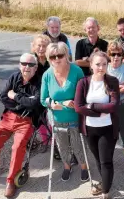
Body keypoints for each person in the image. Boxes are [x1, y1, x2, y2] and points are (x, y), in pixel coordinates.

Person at [0, 53, 41, 197]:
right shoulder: (14, 77)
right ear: (20, 65)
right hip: (8, 117)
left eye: (31, 65)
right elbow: (4, 97)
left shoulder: (39, 82)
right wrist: (23, 102)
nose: (27, 67)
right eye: (24, 64)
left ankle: (11, 181)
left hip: (26, 121)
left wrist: (15, 96)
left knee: (17, 147)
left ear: (36, 68)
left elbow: (35, 103)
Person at [40, 42, 89, 182]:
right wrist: (57, 104)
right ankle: (67, 166)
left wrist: (73, 101)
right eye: (52, 56)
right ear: (49, 58)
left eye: (60, 55)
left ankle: (84, 166)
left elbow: (84, 94)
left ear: (66, 55)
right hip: (56, 118)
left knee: (77, 144)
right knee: (62, 145)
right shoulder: (47, 75)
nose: (56, 59)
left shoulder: (76, 71)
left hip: (74, 117)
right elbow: (43, 99)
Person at [74, 51, 120, 199]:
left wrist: (91, 105)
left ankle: (106, 193)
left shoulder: (112, 81)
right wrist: (99, 112)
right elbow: (78, 107)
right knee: (98, 160)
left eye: (104, 64)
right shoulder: (83, 82)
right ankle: (105, 182)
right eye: (98, 64)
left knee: (106, 161)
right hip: (90, 129)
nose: (101, 67)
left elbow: (113, 106)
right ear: (91, 65)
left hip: (107, 129)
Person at [106, 41, 124, 168]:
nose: (116, 57)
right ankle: (107, 159)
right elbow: (103, 88)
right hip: (108, 106)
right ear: (109, 55)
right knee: (108, 133)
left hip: (122, 105)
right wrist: (119, 87)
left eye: (119, 54)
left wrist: (113, 88)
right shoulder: (105, 67)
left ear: (122, 56)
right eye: (113, 54)